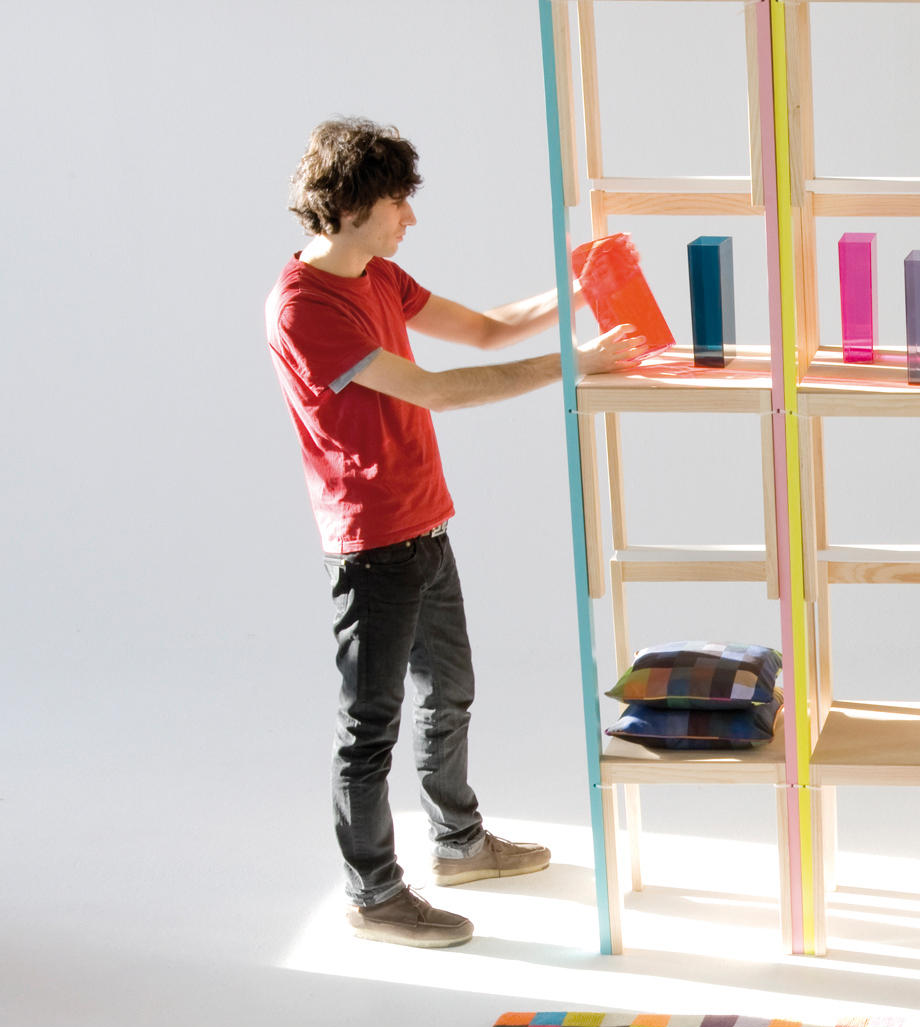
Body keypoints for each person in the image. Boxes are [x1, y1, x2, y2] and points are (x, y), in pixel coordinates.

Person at [266, 117, 642, 947]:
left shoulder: (378, 275)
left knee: (450, 692)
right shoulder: (304, 306)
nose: (410, 217)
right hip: (371, 543)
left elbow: (487, 329)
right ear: (353, 205)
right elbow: (433, 389)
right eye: (398, 202)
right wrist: (577, 362)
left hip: (424, 520)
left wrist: (580, 292)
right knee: (369, 726)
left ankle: (459, 843)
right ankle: (374, 894)